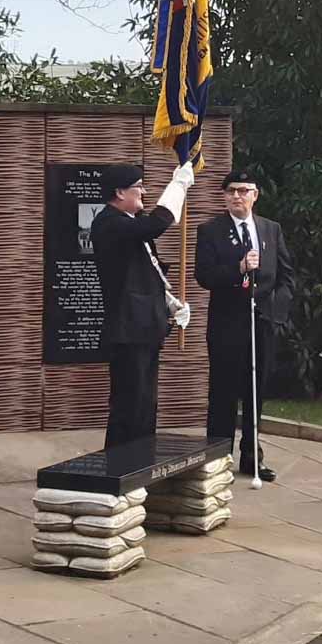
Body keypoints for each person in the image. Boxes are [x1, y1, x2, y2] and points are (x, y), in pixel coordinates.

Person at [195, 170, 295, 482]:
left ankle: (252, 457)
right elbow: (204, 276)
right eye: (231, 191)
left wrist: (274, 312)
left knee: (256, 391)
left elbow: (286, 277)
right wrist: (237, 269)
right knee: (223, 391)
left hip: (262, 322)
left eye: (244, 190)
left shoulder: (270, 229)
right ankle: (217, 458)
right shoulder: (211, 230)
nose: (237, 196)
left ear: (255, 195)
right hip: (227, 322)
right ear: (224, 196)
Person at [91, 162, 195, 448]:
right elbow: (157, 225)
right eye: (138, 187)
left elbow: (144, 273)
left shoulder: (129, 224)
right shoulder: (110, 223)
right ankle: (119, 463)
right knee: (130, 402)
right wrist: (177, 187)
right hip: (128, 330)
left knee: (146, 403)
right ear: (119, 192)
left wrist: (170, 304)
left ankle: (140, 460)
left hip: (146, 327)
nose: (143, 192)